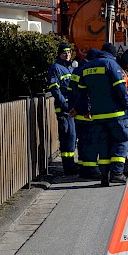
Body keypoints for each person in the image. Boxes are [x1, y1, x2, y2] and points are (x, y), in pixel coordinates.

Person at [74, 43, 128, 186]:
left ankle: (105, 176)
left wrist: (85, 110)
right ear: (112, 54)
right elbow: (121, 89)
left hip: (97, 115)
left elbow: (81, 93)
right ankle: (117, 173)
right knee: (122, 139)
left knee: (103, 145)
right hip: (115, 114)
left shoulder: (86, 68)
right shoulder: (112, 65)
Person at [68, 48, 101, 179]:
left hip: (76, 113)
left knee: (81, 141)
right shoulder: (88, 71)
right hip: (86, 112)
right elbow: (86, 93)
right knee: (90, 141)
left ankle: (83, 166)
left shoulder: (76, 70)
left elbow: (70, 92)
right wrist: (88, 110)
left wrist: (72, 108)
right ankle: (90, 169)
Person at [47, 42, 77, 175]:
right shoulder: (56, 68)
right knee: (67, 137)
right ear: (60, 54)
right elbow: (55, 88)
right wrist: (64, 105)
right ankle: (68, 167)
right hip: (64, 109)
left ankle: (71, 164)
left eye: (69, 52)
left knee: (72, 137)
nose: (67, 54)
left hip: (72, 109)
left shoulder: (70, 68)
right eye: (65, 52)